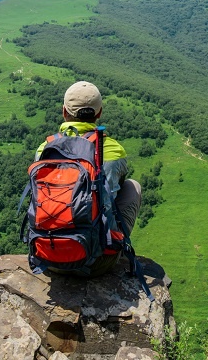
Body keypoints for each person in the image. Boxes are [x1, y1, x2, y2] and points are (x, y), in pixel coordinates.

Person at [35, 80, 142, 276]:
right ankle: (109, 243)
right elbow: (113, 193)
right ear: (99, 113)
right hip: (96, 263)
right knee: (132, 187)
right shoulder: (113, 150)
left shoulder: (45, 149)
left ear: (64, 111)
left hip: (46, 257)